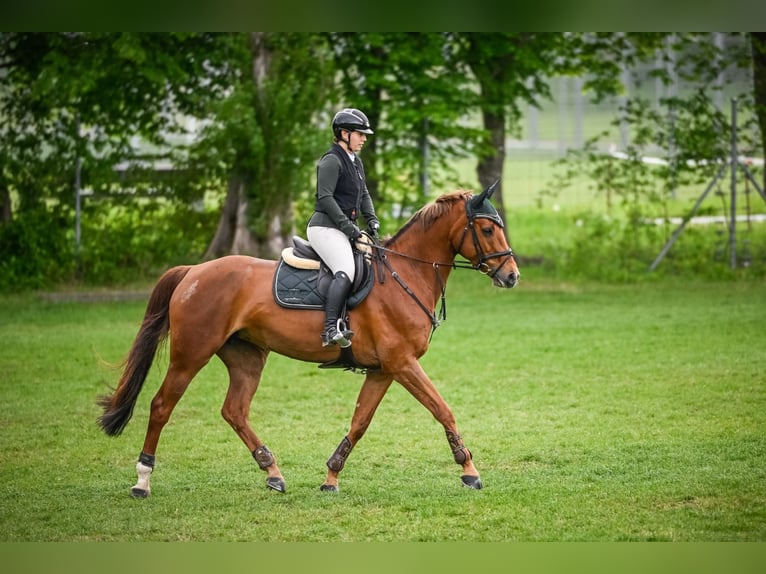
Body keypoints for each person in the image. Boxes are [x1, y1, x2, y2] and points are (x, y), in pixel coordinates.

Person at [307, 108, 380, 347]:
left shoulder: (355, 161)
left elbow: (364, 194)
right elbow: (325, 199)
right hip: (325, 229)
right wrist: (351, 229)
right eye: (360, 134)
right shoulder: (331, 160)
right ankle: (330, 329)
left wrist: (372, 219)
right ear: (344, 133)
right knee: (346, 270)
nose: (364, 138)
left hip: (343, 229)